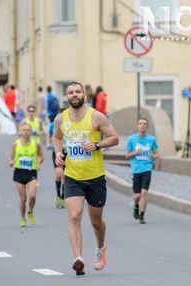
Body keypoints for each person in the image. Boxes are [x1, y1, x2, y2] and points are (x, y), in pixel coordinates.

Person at [53, 82, 119, 275]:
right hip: (73, 175)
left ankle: (100, 248)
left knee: (96, 221)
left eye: (77, 92)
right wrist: (58, 153)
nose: (74, 95)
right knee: (74, 215)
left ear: (84, 95)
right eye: (71, 92)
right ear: (67, 97)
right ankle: (78, 258)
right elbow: (57, 137)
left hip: (95, 176)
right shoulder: (60, 119)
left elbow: (114, 138)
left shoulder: (96, 116)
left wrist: (97, 145)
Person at [8, 123, 44, 227]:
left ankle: (31, 211)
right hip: (19, 172)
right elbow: (10, 157)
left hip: (31, 172)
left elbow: (41, 156)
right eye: (24, 130)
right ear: (20, 132)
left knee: (32, 195)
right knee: (23, 198)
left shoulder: (36, 144)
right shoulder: (15, 144)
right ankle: (22, 217)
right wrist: (10, 162)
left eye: (28, 130)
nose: (26, 132)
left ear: (31, 131)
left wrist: (38, 163)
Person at [125, 117, 158, 224]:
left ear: (147, 126)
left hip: (147, 168)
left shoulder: (151, 139)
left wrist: (154, 156)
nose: (142, 125)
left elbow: (156, 153)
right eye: (140, 123)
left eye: (144, 124)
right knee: (137, 196)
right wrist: (135, 152)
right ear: (137, 126)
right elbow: (127, 155)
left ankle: (142, 215)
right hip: (136, 169)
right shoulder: (131, 139)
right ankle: (136, 205)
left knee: (144, 193)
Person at [48, 108, 67, 208]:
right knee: (59, 174)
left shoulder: (71, 124)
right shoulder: (54, 124)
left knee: (66, 175)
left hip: (68, 152)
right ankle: (58, 195)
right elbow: (50, 135)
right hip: (57, 151)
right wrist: (48, 144)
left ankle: (63, 197)